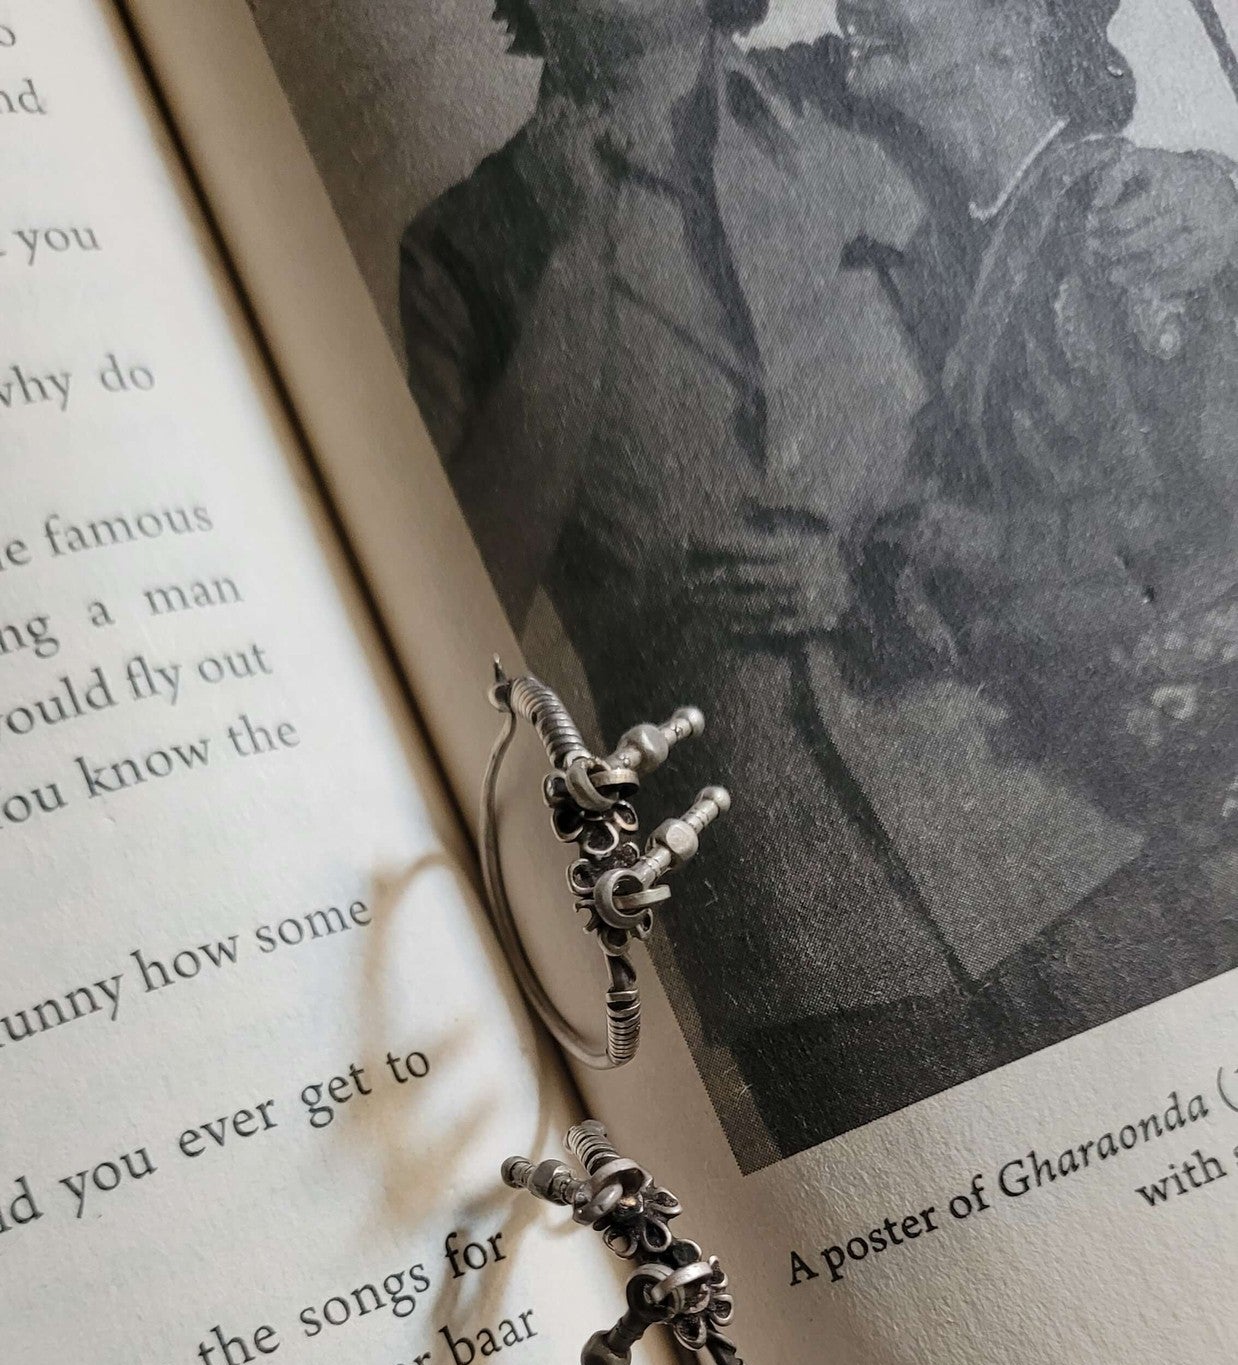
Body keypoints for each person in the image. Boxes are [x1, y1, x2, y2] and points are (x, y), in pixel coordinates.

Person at [401, 0, 1238, 1159]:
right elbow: (457, 617)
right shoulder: (457, 249)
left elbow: (1056, 165)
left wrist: (1214, 190)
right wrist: (565, 263)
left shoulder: (862, 90)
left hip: (1058, 813)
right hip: (803, 936)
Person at [847, 0, 1238, 1044]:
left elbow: (1210, 518)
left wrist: (965, 549)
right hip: (1115, 801)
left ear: (1017, 20)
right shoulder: (964, 228)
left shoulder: (1124, 212)